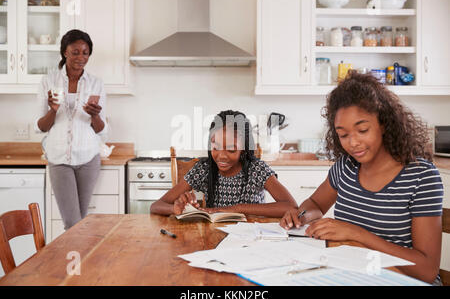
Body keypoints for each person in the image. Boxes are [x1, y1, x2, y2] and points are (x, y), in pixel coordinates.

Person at [280, 72, 444, 285]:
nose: (353, 143)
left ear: (384, 123)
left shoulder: (422, 177)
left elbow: (427, 271)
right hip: (353, 274)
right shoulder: (346, 168)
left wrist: (358, 234)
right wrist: (301, 215)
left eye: (362, 130)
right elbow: (316, 204)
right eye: (343, 134)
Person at [151, 110, 298, 217]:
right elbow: (156, 206)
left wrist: (236, 208)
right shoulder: (204, 169)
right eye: (215, 148)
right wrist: (175, 209)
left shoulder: (257, 170)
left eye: (231, 150)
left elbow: (291, 207)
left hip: (250, 242)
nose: (221, 156)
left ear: (244, 149)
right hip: (212, 240)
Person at [35, 29, 108, 230]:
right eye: (75, 52)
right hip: (59, 160)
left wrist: (94, 115)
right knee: (72, 223)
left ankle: (78, 261)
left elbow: (101, 130)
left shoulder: (96, 83)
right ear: (65, 52)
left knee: (79, 222)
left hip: (88, 158)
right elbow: (41, 126)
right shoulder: (49, 81)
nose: (81, 57)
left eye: (85, 53)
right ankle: (74, 261)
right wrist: (53, 109)